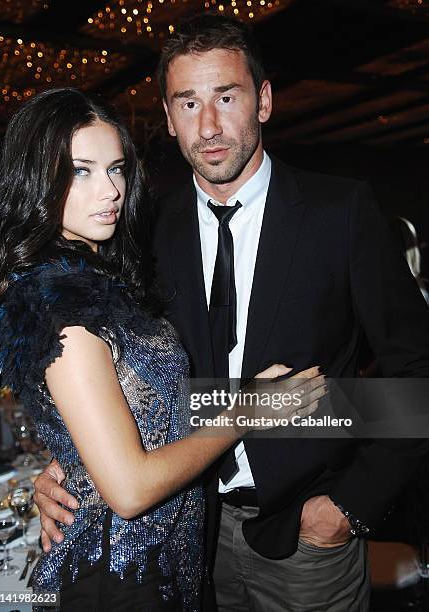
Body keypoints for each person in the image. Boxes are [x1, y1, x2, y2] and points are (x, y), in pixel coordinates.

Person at [34, 15, 429, 612]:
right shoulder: (143, 232)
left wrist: (347, 508)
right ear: (167, 118)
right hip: (189, 533)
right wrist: (66, 468)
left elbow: (416, 370)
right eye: (188, 103)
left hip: (308, 540)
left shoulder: (340, 213)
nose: (210, 125)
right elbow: (122, 376)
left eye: (227, 96)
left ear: (263, 100)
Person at [0, 87, 323, 611]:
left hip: (177, 556)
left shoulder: (110, 274)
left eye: (116, 168)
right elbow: (129, 490)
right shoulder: (60, 307)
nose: (111, 191)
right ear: (37, 179)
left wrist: (74, 455)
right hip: (120, 576)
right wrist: (248, 411)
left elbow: (141, 405)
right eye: (81, 170)